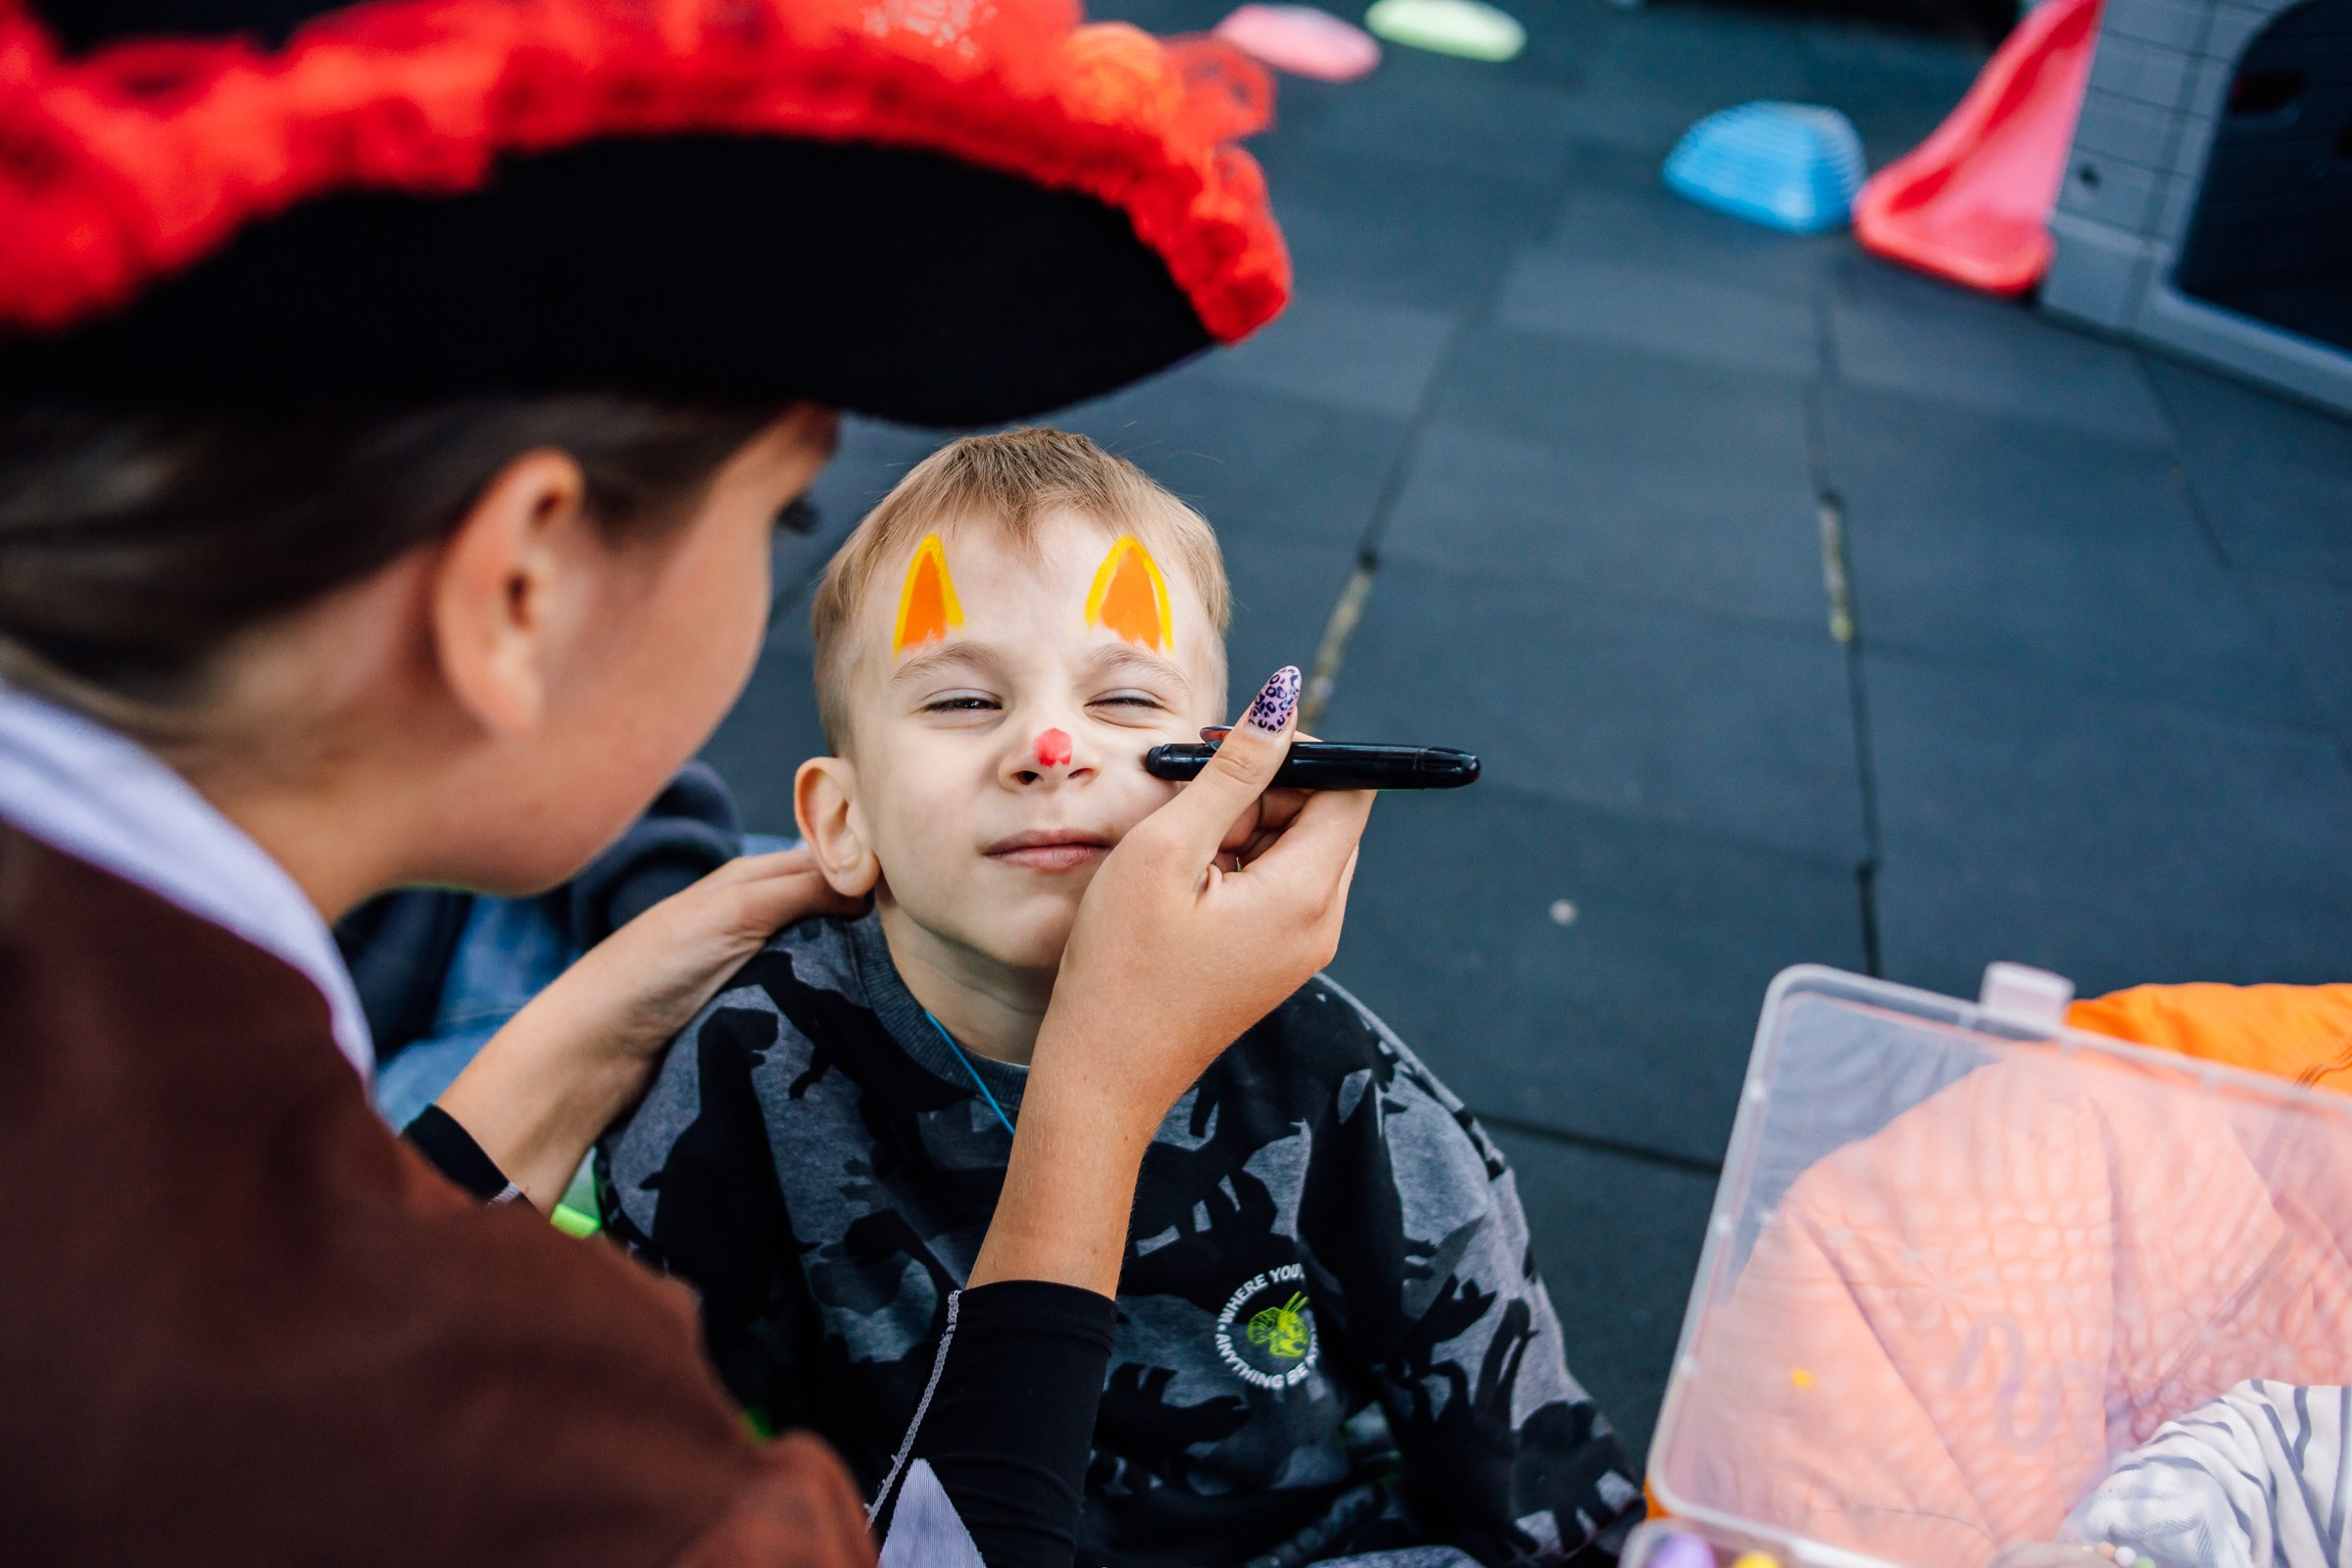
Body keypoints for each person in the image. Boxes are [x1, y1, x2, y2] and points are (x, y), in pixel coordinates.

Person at [0, 3, 1374, 1565]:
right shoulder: (537, 1453)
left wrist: (586, 1027)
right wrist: (1100, 1100)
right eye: (783, 521)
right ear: (521, 585)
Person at [599, 428, 1643, 1568]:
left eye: (1128, 700)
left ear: (1237, 782)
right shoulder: (751, 1060)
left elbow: (1531, 1477)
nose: (1051, 747)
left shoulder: (1335, 1081)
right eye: (959, 701)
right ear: (841, 821)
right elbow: (628, 1434)